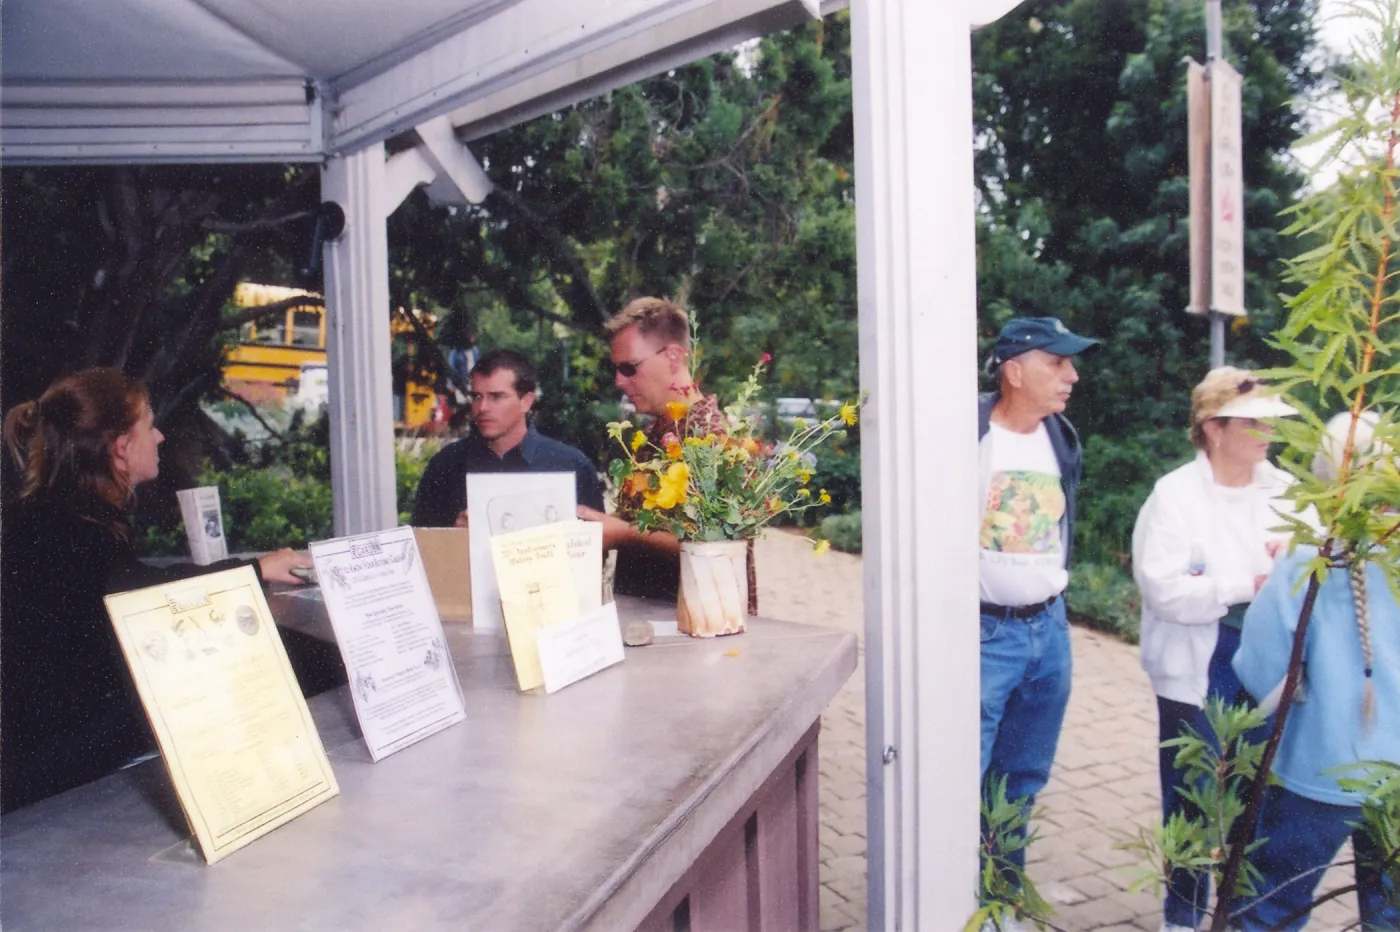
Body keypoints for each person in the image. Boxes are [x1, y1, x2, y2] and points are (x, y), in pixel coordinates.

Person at [0, 368, 313, 813]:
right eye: (149, 424)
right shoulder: (78, 532)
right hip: (55, 780)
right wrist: (257, 568)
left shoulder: (41, 517)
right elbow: (152, 595)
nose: (161, 436)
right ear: (122, 449)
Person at [1132, 367, 1300, 932]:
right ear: (1214, 427)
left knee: (1257, 793)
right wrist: (1245, 584)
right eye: (1253, 421)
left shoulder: (1284, 491)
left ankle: (1236, 913)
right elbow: (1164, 590)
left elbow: (1308, 571)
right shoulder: (1174, 496)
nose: (1267, 432)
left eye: (1271, 421)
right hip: (1203, 658)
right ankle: (1181, 916)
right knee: (1193, 795)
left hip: (1269, 658)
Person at [1230, 411, 1399, 931]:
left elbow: (1259, 663)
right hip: (1394, 774)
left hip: (1315, 768)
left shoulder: (1309, 553)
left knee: (1274, 904)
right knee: (1390, 913)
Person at [977, 316, 1098, 895]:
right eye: (1058, 362)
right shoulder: (966, 434)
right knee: (963, 774)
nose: (1071, 375)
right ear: (1015, 370)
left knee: (1022, 779)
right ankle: (952, 902)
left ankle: (1001, 896)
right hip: (982, 636)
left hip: (1049, 633)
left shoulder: (1060, 436)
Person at [578, 297, 728, 601]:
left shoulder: (715, 437)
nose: (619, 381)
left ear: (674, 356)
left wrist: (622, 533)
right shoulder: (651, 434)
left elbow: (716, 544)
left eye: (629, 367)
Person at [410, 349, 604, 528]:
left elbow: (595, 552)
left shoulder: (572, 466)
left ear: (526, 402)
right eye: (477, 396)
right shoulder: (445, 467)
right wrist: (455, 536)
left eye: (496, 396)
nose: (483, 407)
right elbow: (422, 549)